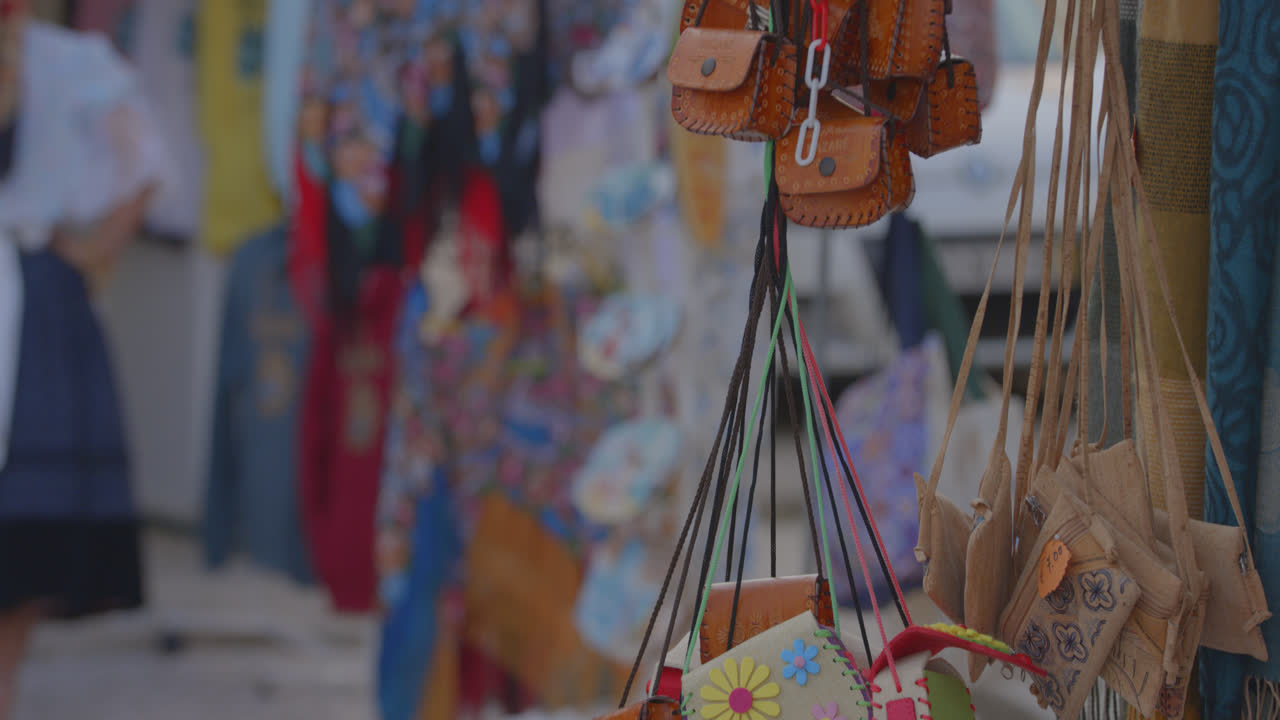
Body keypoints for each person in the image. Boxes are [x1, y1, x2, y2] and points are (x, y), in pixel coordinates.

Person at [0, 3, 171, 717]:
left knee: (22, 542)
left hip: (35, 299)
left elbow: (147, 165)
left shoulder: (70, 64)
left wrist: (97, 250)